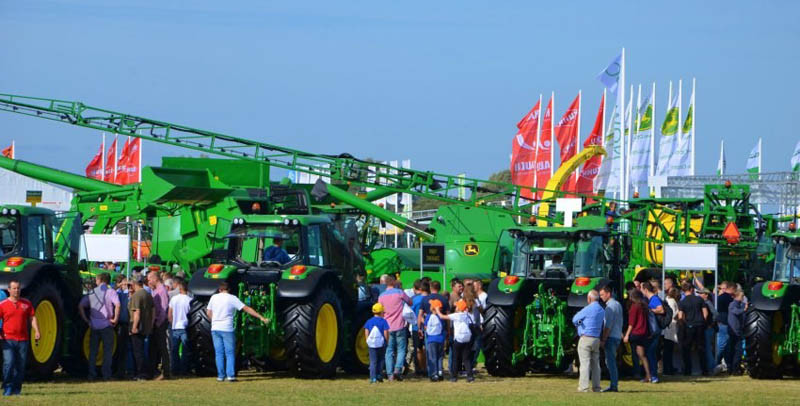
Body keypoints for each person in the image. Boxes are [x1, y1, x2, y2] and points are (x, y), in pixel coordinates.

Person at [206, 282, 268, 381]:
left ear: (219, 290)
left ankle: (220, 376)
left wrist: (214, 321)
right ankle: (230, 376)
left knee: (219, 353)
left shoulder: (214, 297)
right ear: (229, 289)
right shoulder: (232, 298)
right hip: (227, 328)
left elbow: (208, 312)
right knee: (230, 353)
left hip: (215, 328)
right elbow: (246, 308)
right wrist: (261, 317)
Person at [0, 279, 40, 396]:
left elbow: (32, 317)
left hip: (23, 339)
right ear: (9, 290)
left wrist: (37, 330)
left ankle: (17, 389)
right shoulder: (3, 305)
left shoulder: (26, 304)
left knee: (20, 366)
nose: (16, 290)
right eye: (14, 288)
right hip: (7, 339)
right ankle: (7, 387)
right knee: (9, 363)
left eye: (18, 288)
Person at [78, 272, 120, 381]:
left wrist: (86, 320)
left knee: (93, 352)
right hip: (107, 324)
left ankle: (91, 375)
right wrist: (115, 318)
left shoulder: (92, 292)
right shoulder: (111, 292)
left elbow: (81, 305)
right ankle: (106, 375)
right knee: (107, 352)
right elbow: (118, 305)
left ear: (100, 280)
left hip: (94, 325)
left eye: (96, 280)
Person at [377, 275, 412, 381]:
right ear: (394, 283)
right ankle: (398, 369)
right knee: (401, 349)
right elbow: (410, 302)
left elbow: (380, 310)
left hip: (387, 327)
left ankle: (390, 374)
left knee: (389, 350)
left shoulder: (381, 296)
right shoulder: (399, 293)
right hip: (400, 325)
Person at [433, 299, 475, 382]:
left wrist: (437, 309)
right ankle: (470, 377)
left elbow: (442, 316)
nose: (455, 307)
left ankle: (454, 377)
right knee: (466, 358)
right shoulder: (467, 315)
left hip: (458, 339)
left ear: (459, 308)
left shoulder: (457, 315)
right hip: (467, 338)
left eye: (457, 307)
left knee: (455, 358)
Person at [572, 289, 604, 392]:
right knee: (596, 364)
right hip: (596, 338)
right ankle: (596, 386)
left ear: (589, 298)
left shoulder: (587, 309)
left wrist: (580, 323)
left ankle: (584, 387)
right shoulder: (602, 310)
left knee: (585, 363)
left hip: (585, 338)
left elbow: (575, 319)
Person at [678, 281, 710, 376]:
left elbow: (680, 316)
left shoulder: (682, 302)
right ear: (692, 289)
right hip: (700, 325)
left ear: (683, 290)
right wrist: (702, 322)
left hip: (689, 326)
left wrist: (684, 323)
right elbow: (705, 313)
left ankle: (688, 370)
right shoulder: (699, 299)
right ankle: (704, 370)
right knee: (701, 348)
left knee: (686, 349)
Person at [129, 277, 154, 381]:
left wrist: (134, 327)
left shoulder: (137, 295)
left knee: (137, 352)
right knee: (142, 350)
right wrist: (150, 324)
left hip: (138, 326)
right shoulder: (148, 294)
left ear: (134, 284)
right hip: (146, 326)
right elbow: (153, 310)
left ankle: (141, 374)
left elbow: (137, 312)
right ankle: (145, 373)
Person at [624, 289, 652, 383]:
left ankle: (636, 372)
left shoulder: (634, 307)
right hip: (644, 333)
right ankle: (648, 375)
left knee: (634, 354)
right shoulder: (644, 306)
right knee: (642, 355)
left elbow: (631, 323)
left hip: (636, 333)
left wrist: (626, 335)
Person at [147, 271, 171, 380]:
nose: (148, 281)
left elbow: (164, 309)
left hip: (160, 323)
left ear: (155, 279)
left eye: (149, 279)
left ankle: (166, 372)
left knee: (162, 348)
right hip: (155, 323)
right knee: (153, 348)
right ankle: (153, 371)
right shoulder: (155, 290)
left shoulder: (162, 291)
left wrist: (158, 323)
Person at [599, 285, 622, 392]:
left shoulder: (609, 307)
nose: (601, 297)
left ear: (608, 294)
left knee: (610, 362)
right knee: (611, 361)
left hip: (611, 337)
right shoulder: (617, 304)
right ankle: (614, 384)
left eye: (602, 295)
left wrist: (603, 339)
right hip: (617, 336)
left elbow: (608, 325)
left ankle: (614, 385)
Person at [168, 279, 192, 376]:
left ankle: (174, 369)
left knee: (174, 349)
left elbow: (169, 314)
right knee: (185, 349)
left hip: (175, 327)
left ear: (180, 288)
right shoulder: (190, 300)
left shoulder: (174, 299)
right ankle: (183, 370)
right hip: (185, 327)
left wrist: (172, 323)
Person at [640, 281, 663, 383]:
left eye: (641, 289)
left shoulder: (654, 299)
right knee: (650, 353)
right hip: (653, 330)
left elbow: (661, 310)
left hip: (654, 331)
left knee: (651, 353)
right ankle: (650, 375)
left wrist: (650, 310)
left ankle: (653, 375)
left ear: (645, 289)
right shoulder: (650, 299)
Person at [364, 303, 390, 383]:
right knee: (381, 360)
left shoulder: (369, 321)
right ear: (381, 312)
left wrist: (367, 340)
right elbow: (386, 332)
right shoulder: (383, 321)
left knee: (373, 361)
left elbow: (366, 331)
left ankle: (373, 378)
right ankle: (379, 375)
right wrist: (386, 341)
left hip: (372, 344)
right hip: (381, 344)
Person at [714, 281, 735, 373]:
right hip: (726, 322)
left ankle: (723, 364)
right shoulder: (729, 298)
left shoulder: (720, 298)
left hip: (722, 322)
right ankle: (719, 363)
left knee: (723, 345)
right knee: (723, 345)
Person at [422, 298, 446, 381]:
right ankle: (440, 372)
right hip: (440, 339)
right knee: (439, 357)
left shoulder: (429, 316)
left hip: (431, 339)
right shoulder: (441, 317)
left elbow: (426, 327)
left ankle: (433, 374)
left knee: (432, 357)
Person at [114, 276, 133, 379]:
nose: (126, 285)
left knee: (125, 348)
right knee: (120, 349)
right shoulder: (117, 293)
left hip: (126, 323)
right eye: (124, 283)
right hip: (120, 324)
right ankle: (120, 370)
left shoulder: (128, 294)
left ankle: (125, 370)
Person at [697, 287, 718, 374]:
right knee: (707, 348)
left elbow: (715, 314)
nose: (699, 294)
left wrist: (711, 324)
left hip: (708, 328)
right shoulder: (704, 302)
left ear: (706, 295)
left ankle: (712, 367)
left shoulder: (707, 303)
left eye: (701, 293)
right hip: (707, 328)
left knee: (708, 348)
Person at [410, 279, 429, 376]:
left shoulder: (414, 299)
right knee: (427, 348)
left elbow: (410, 312)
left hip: (416, 327)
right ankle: (427, 368)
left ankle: (419, 368)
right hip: (429, 327)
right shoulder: (430, 298)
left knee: (418, 348)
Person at [727, 289, 747, 375]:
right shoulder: (733, 304)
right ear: (737, 296)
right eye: (742, 296)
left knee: (736, 350)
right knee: (736, 350)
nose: (743, 298)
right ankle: (733, 368)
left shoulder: (741, 304)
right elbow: (736, 312)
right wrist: (744, 309)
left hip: (738, 331)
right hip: (734, 331)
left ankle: (734, 368)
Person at [662, 287, 681, 375]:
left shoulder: (667, 300)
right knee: (668, 349)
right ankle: (668, 369)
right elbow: (673, 315)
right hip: (670, 328)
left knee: (667, 350)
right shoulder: (672, 302)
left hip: (668, 328)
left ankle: (668, 368)